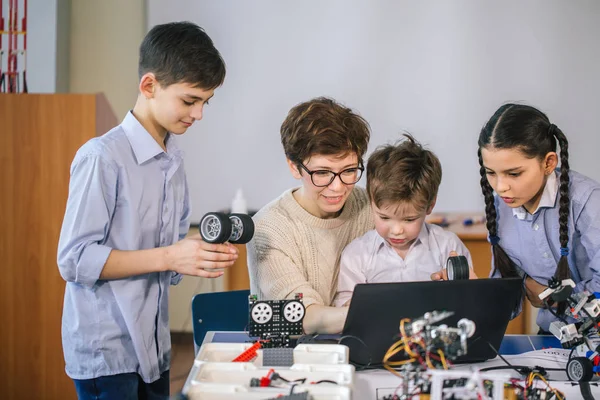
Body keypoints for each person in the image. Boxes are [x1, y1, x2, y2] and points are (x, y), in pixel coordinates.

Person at [57, 22, 236, 399]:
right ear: (149, 86)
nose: (199, 114)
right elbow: (74, 260)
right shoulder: (101, 157)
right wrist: (171, 255)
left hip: (154, 348)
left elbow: (161, 259)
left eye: (206, 102)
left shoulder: (172, 161)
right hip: (108, 352)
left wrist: (192, 254)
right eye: (190, 101)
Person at [468, 103, 600, 332]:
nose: (500, 187)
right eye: (491, 173)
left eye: (514, 173)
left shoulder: (587, 202)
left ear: (548, 163)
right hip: (552, 336)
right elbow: (506, 293)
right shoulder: (501, 208)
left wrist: (553, 298)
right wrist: (473, 294)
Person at [247, 97, 373, 334]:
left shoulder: (372, 207)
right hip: (296, 358)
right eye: (322, 173)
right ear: (294, 167)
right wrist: (384, 311)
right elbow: (304, 316)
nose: (337, 187)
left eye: (349, 170)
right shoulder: (268, 228)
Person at [334, 134, 475, 307]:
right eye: (384, 217)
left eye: (409, 220)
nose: (396, 230)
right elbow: (344, 310)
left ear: (430, 206)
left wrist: (454, 289)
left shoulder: (448, 247)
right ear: (371, 202)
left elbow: (470, 304)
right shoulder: (357, 254)